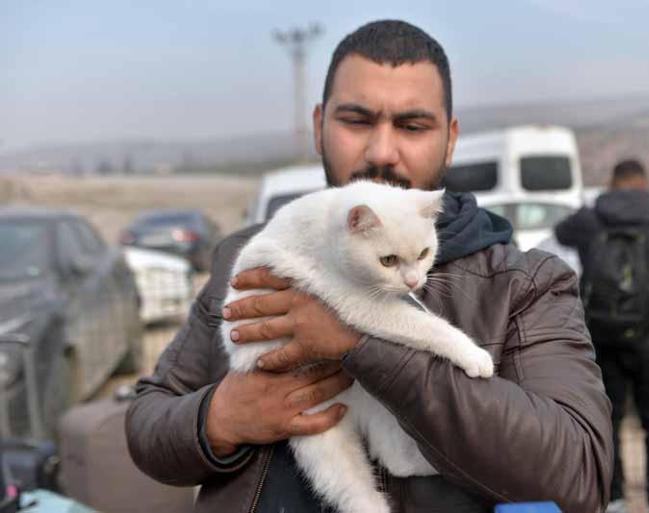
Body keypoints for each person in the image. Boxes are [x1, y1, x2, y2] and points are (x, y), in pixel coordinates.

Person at [126, 19, 612, 513]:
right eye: (356, 121)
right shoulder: (248, 260)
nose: (382, 151)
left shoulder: (521, 283)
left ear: (450, 138)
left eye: (412, 125)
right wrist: (218, 418)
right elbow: (147, 423)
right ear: (319, 126)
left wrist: (363, 346)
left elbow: (578, 476)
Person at [555, 159, 649, 513]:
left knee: (607, 419)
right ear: (646, 183)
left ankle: (615, 497)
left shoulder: (590, 219)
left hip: (602, 336)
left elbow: (560, 233)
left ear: (612, 182)